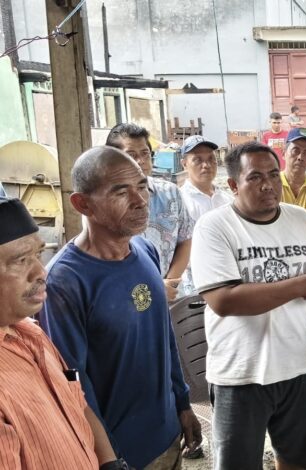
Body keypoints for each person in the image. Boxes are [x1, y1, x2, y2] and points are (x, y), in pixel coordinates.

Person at [39, 146, 201, 470]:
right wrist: (108, 459)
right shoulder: (64, 282)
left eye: (142, 187)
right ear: (82, 203)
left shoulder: (144, 249)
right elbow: (72, 384)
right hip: (122, 456)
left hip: (168, 436)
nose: (141, 201)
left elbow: (163, 333)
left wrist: (182, 402)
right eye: (120, 192)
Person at [190, 142, 306, 469]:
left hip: (301, 366)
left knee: (302, 461)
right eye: (255, 177)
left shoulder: (301, 219)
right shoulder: (214, 227)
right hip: (241, 374)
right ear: (233, 185)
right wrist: (302, 286)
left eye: (274, 175)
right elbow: (224, 300)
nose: (268, 185)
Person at [0, 198, 128, 470]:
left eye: (38, 254)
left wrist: (109, 464)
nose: (41, 271)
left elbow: (75, 401)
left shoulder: (30, 333)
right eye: (21, 260)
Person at [106, 123, 194, 301]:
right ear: (112, 159)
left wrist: (169, 282)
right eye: (131, 155)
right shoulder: (103, 201)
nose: (140, 161)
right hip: (126, 298)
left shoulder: (170, 192)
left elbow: (186, 240)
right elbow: (104, 254)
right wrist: (153, 288)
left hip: (171, 295)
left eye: (145, 153)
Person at [179, 135, 233, 222]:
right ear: (184, 164)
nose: (206, 165)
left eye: (211, 158)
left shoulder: (227, 200)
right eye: (198, 160)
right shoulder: (180, 203)